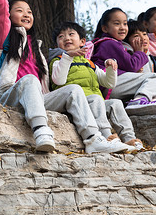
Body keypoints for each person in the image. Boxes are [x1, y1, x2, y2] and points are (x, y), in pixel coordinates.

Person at [0, 0, 131, 154]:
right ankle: (41, 131)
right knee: (30, 79)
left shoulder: (37, 49)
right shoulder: (4, 40)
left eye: (30, 11)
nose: (26, 14)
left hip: (37, 97)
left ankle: (93, 139)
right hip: (7, 94)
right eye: (19, 10)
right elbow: (1, 9)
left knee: (74, 89)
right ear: (9, 15)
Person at [48, 21, 143, 150]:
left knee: (115, 103)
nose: (67, 38)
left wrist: (110, 68)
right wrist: (67, 58)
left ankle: (129, 138)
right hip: (76, 103)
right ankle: (106, 136)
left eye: (71, 34)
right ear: (57, 44)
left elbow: (109, 83)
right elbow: (58, 80)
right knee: (96, 99)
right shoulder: (58, 60)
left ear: (82, 41)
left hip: (95, 103)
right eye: (61, 37)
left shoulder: (89, 63)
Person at [90, 7, 156, 115]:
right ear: (105, 28)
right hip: (109, 84)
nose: (122, 27)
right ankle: (140, 100)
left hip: (114, 84)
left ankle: (154, 100)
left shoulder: (113, 43)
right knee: (155, 77)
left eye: (125, 24)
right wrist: (140, 52)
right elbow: (132, 66)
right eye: (117, 24)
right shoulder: (109, 43)